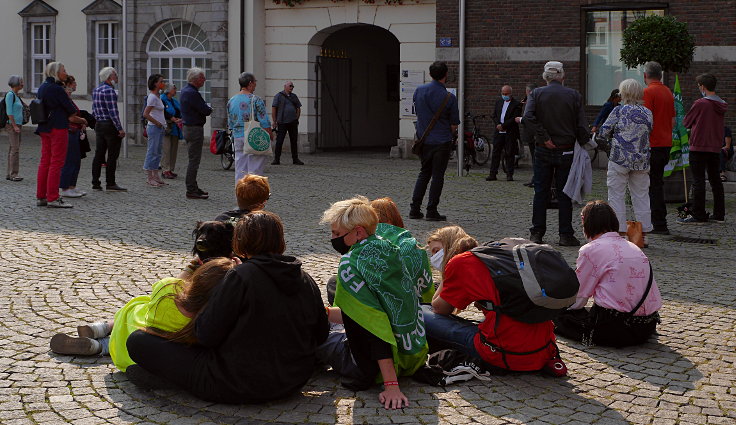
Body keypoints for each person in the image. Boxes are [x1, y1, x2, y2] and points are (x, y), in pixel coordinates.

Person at [126, 211, 329, 403]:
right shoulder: (305, 278)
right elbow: (321, 334)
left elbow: (206, 335)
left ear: (240, 241)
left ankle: (171, 380)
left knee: (138, 341)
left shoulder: (240, 276)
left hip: (234, 383)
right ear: (280, 241)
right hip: (293, 380)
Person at [318, 196, 428, 410]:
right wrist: (326, 313)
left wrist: (391, 385)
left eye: (337, 234)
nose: (332, 238)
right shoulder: (389, 247)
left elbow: (375, 325)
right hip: (413, 354)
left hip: (373, 365)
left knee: (313, 336)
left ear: (358, 232)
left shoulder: (351, 264)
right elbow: (384, 309)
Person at [49, 258, 233, 371]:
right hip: (136, 356)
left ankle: (100, 328)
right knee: (145, 322)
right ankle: (100, 347)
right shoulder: (205, 320)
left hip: (132, 324)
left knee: (141, 304)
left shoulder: (167, 286)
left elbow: (180, 282)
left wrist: (191, 266)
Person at [421, 245, 559, 373]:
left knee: (421, 310)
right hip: (544, 349)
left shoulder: (461, 263)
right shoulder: (502, 259)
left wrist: (446, 272)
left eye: (435, 250)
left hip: (503, 353)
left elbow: (440, 308)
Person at [554, 200, 662, 347]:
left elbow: (579, 297)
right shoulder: (632, 246)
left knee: (557, 316)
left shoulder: (590, 250)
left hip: (615, 329)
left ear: (586, 223)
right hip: (647, 326)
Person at [523, 61, 589, 246]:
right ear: (562, 76)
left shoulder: (536, 94)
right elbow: (581, 125)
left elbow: (528, 117)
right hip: (566, 149)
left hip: (543, 149)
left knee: (540, 191)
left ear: (545, 77)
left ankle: (537, 232)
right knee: (565, 193)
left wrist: (543, 137)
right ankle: (565, 234)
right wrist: (584, 142)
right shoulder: (573, 95)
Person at [596, 79, 653, 244]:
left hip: (619, 158)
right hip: (641, 159)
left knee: (616, 195)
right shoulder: (648, 112)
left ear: (623, 93)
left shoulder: (618, 111)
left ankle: (619, 234)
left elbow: (603, 132)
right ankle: (641, 237)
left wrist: (611, 145)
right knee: (641, 195)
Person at [410, 61, 460, 222]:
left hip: (424, 140)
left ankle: (414, 209)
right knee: (438, 176)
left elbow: (417, 112)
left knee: (424, 173)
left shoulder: (419, 90)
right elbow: (454, 124)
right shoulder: (448, 97)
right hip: (442, 141)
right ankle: (432, 210)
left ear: (431, 74)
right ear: (445, 75)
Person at [679, 73, 728, 224]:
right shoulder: (721, 104)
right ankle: (719, 214)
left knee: (698, 180)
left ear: (703, 87)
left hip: (699, 146)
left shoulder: (700, 103)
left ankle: (698, 214)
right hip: (715, 147)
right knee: (715, 181)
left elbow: (686, 122)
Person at [35, 62, 78, 208]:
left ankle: (41, 196)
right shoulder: (57, 89)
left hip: (44, 127)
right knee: (57, 162)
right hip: (57, 127)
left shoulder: (42, 87)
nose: (65, 73)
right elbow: (71, 109)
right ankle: (53, 197)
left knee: (45, 162)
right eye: (63, 70)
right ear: (56, 73)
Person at [642, 61, 675, 235]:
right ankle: (659, 221)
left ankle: (658, 223)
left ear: (645, 75)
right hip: (666, 143)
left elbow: (645, 121)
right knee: (658, 183)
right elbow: (672, 120)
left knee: (651, 185)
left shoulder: (648, 92)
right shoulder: (667, 91)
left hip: (652, 145)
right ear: (660, 75)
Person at [227, 72, 273, 182]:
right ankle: (254, 195)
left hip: (238, 136)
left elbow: (230, 123)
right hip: (253, 135)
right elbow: (264, 121)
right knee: (255, 169)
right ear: (250, 83)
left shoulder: (231, 100)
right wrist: (270, 134)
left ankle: (241, 194)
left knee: (240, 168)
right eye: (255, 82)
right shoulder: (255, 100)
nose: (256, 85)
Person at [91, 67, 126, 192]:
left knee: (99, 154)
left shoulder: (96, 90)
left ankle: (95, 182)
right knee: (112, 155)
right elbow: (113, 112)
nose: (117, 78)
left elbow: (94, 110)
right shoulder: (110, 91)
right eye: (115, 75)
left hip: (99, 124)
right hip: (109, 125)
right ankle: (110, 182)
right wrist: (120, 129)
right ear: (110, 77)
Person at [180, 67, 212, 200]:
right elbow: (205, 110)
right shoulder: (192, 93)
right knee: (194, 161)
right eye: (202, 77)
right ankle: (191, 189)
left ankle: (193, 186)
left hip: (189, 127)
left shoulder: (186, 91)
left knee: (193, 159)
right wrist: (209, 108)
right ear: (196, 79)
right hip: (194, 128)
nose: (204, 80)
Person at [59, 75, 90, 198]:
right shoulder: (65, 98)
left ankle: (72, 185)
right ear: (69, 85)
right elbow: (71, 117)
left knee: (76, 160)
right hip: (69, 131)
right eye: (74, 82)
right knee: (70, 160)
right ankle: (65, 187)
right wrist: (82, 120)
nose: (76, 84)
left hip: (75, 131)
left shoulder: (69, 98)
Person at [486, 85, 521, 182]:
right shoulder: (498, 102)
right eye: (503, 94)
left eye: (506, 94)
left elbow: (515, 118)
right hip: (499, 131)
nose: (504, 95)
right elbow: (495, 115)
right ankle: (493, 173)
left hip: (510, 132)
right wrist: (498, 124)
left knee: (510, 152)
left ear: (511, 93)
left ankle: (509, 174)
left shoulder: (516, 104)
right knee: (496, 152)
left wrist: (504, 125)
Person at [142, 73, 167, 187]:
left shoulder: (158, 96)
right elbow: (146, 114)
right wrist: (157, 122)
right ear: (155, 83)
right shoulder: (152, 97)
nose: (163, 83)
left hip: (160, 127)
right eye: (161, 81)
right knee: (152, 151)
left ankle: (156, 175)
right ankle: (149, 177)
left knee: (157, 152)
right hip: (154, 127)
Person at [271, 81, 304, 165]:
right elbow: (274, 108)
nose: (291, 87)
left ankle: (295, 159)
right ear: (285, 86)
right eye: (290, 86)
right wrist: (274, 121)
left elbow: (298, 108)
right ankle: (276, 159)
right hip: (282, 122)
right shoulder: (278, 96)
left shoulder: (294, 96)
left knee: (294, 140)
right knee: (280, 141)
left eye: (292, 86)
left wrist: (297, 118)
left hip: (293, 122)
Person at [516, 83, 538, 187]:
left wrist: (520, 119)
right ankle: (535, 178)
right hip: (531, 134)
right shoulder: (530, 100)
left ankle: (536, 179)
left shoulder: (534, 101)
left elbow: (529, 117)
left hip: (533, 134)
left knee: (536, 158)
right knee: (534, 157)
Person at [160, 83, 183, 179]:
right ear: (168, 90)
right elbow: (162, 112)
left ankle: (170, 169)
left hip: (175, 128)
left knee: (174, 149)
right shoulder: (162, 99)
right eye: (174, 88)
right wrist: (172, 118)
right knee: (166, 149)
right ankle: (165, 170)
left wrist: (180, 119)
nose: (176, 90)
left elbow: (180, 111)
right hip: (166, 127)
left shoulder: (174, 101)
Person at [5, 75, 25, 182]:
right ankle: (14, 174)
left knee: (13, 149)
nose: (23, 84)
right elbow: (9, 112)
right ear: (16, 83)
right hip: (12, 125)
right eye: (21, 82)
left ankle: (9, 173)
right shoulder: (10, 95)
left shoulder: (16, 95)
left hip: (17, 124)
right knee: (15, 149)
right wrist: (14, 126)